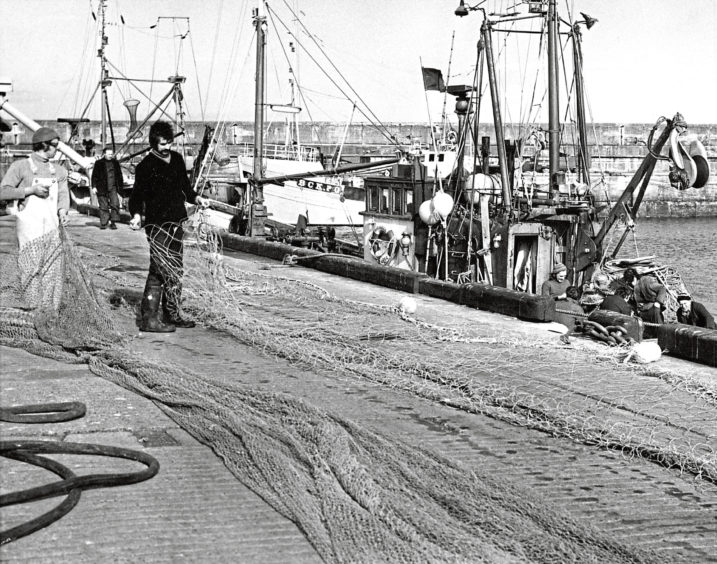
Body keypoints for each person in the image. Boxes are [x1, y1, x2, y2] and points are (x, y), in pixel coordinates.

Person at [128, 121, 207, 333]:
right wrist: (136, 215)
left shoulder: (178, 160)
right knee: (159, 269)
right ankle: (149, 319)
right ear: (154, 143)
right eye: (163, 144)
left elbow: (185, 188)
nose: (167, 148)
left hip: (176, 223)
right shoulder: (145, 166)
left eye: (170, 143)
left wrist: (197, 198)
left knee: (175, 269)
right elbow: (136, 196)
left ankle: (172, 313)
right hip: (157, 225)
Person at [0, 127, 70, 311]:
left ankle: (49, 312)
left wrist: (63, 211)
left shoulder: (60, 171)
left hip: (53, 227)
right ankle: (32, 310)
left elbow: (63, 194)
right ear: (44, 145)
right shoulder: (20, 167)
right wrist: (29, 191)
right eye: (55, 146)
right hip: (30, 228)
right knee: (30, 269)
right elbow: (3, 191)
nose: (57, 149)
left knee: (53, 270)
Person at [91, 147, 123, 230]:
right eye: (108, 154)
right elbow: (94, 176)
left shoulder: (115, 163)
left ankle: (113, 222)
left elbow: (120, 176)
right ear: (104, 154)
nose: (110, 155)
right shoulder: (98, 163)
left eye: (111, 154)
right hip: (101, 187)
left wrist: (121, 188)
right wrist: (94, 187)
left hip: (113, 187)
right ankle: (104, 223)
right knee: (103, 206)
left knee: (115, 204)